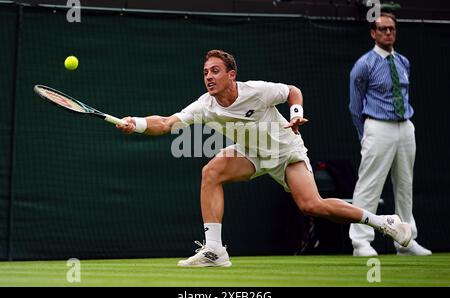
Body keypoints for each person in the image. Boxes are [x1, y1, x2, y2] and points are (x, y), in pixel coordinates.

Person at [117, 49, 412, 267]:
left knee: (312, 205)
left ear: (231, 74)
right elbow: (167, 123)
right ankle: (214, 250)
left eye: (215, 71)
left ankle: (384, 222)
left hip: (285, 152)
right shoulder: (204, 105)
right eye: (206, 72)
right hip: (251, 153)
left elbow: (292, 92)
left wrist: (295, 114)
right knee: (211, 172)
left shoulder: (257, 91)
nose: (209, 76)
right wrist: (137, 122)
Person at [348, 13, 431, 256]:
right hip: (377, 126)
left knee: (405, 184)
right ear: (373, 33)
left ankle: (405, 240)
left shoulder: (403, 62)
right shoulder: (364, 64)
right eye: (382, 29)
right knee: (369, 184)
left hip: (405, 126)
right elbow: (355, 105)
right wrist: (364, 134)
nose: (388, 33)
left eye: (391, 29)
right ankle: (361, 242)